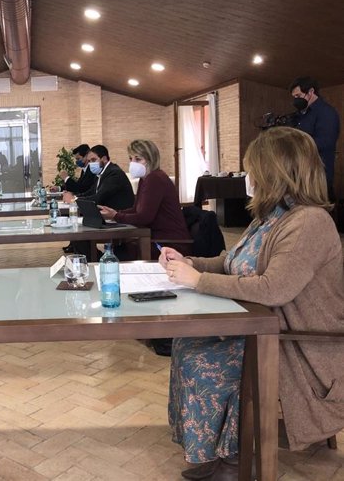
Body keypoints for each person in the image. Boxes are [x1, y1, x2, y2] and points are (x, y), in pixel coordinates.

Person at [159, 127, 344, 480]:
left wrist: (198, 281)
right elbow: (233, 262)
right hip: (262, 325)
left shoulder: (309, 222)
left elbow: (275, 288)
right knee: (188, 343)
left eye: (252, 169)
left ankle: (233, 455)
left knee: (204, 358)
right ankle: (216, 449)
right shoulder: (270, 216)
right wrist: (190, 262)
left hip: (299, 341)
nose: (249, 178)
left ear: (275, 171)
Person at [98, 140, 191, 259]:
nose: (132, 163)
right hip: (154, 238)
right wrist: (114, 212)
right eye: (131, 158)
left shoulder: (155, 178)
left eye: (138, 159)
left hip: (169, 244)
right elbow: (136, 209)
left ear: (150, 159)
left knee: (118, 254)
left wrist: (116, 216)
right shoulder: (145, 179)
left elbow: (144, 217)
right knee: (118, 249)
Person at [289, 76, 340, 200]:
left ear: (311, 92)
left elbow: (325, 142)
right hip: (302, 176)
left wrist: (295, 145)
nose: (296, 100)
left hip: (318, 177)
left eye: (298, 96)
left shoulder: (326, 112)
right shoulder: (302, 114)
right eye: (294, 97)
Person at [62, 144, 134, 211]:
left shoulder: (114, 173)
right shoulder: (101, 173)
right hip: (106, 216)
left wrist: (74, 199)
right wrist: (73, 195)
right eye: (89, 161)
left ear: (104, 159)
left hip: (119, 218)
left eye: (93, 160)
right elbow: (91, 192)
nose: (91, 164)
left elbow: (99, 197)